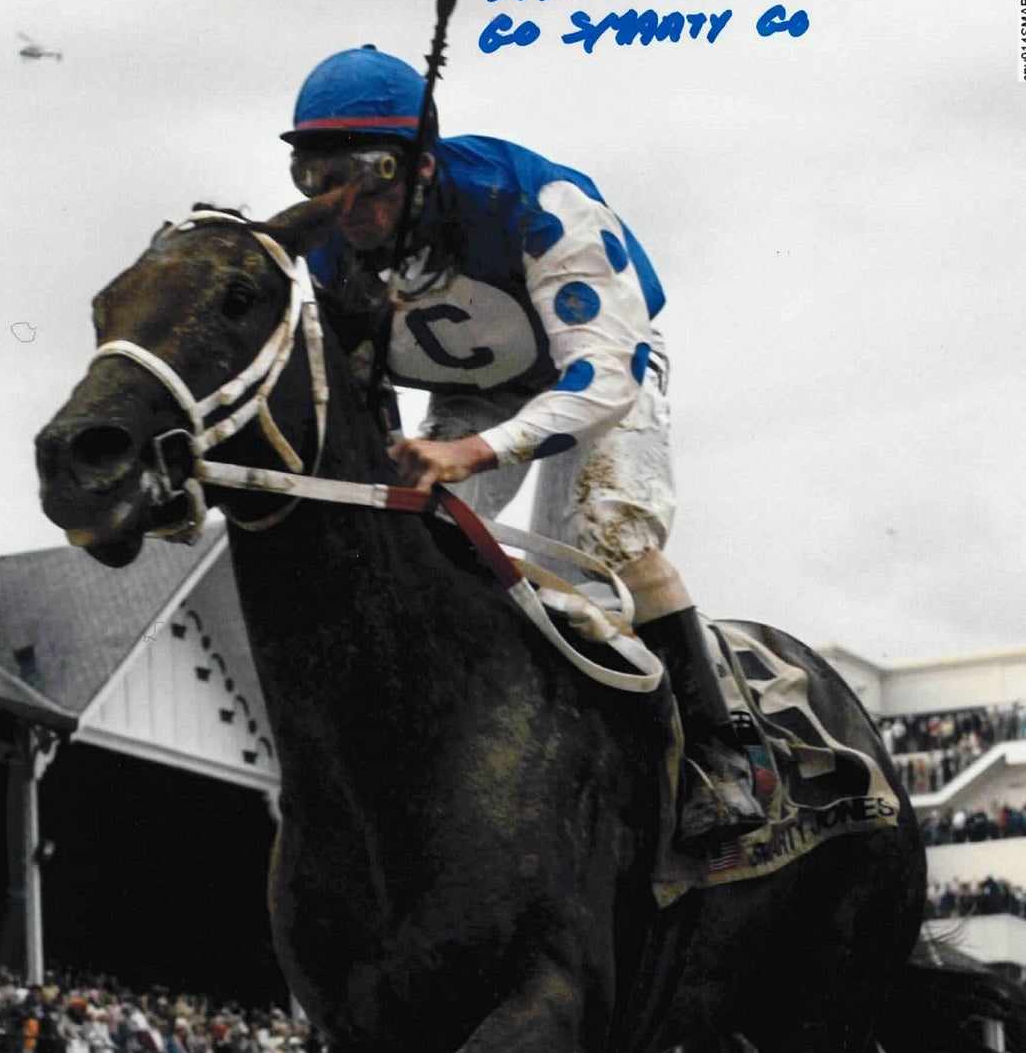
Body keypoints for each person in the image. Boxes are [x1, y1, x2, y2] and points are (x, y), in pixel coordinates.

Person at [282, 45, 764, 849]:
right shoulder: (332, 256)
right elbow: (363, 405)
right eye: (317, 177)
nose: (349, 204)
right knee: (410, 547)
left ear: (420, 164)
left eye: (370, 171)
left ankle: (720, 759)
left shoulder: (536, 202)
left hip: (599, 369)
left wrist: (475, 454)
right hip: (473, 392)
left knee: (603, 541)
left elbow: (605, 373)